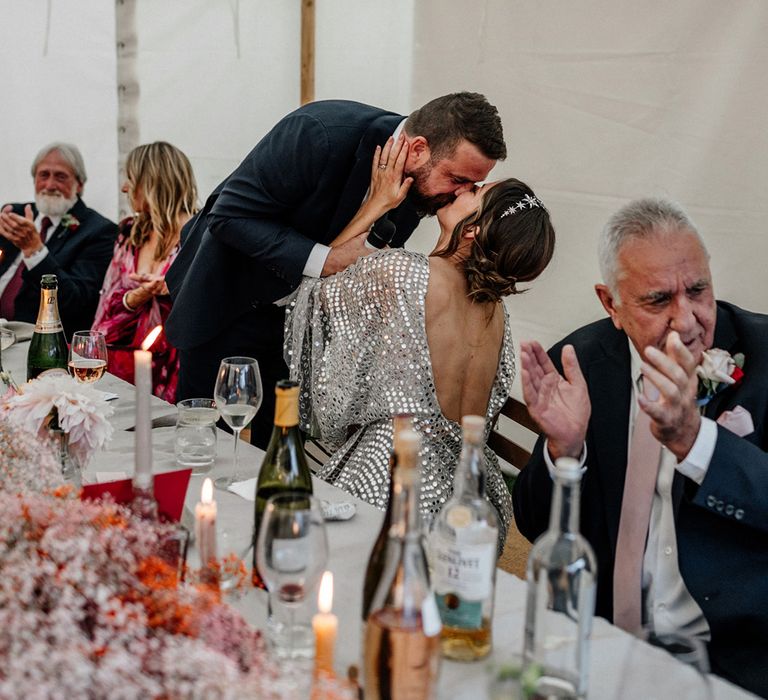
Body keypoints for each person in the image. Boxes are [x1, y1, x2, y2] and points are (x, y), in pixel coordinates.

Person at [512, 198, 768, 696]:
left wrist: (700, 443)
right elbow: (537, 522)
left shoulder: (763, 358)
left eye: (698, 290)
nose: (687, 319)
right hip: (603, 644)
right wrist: (564, 453)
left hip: (734, 661)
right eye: (657, 300)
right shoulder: (582, 360)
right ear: (611, 304)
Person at [166, 93, 506, 447]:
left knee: (276, 453)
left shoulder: (420, 186)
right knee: (200, 446)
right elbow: (230, 216)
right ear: (418, 148)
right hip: (227, 301)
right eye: (457, 179)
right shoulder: (320, 133)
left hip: (294, 331)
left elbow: (359, 261)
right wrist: (327, 260)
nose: (460, 195)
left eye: (471, 185)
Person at [286, 167, 555, 541]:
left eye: (475, 190)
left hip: (388, 484)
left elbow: (315, 293)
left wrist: (376, 204)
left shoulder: (405, 273)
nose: (463, 188)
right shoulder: (498, 316)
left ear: (475, 228)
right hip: (469, 503)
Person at [92, 142, 197, 401]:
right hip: (125, 370)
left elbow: (215, 306)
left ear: (152, 183)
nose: (124, 188)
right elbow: (104, 316)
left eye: (131, 178)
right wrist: (134, 297)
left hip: (179, 374)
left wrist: (173, 287)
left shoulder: (200, 235)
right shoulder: (130, 233)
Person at [0, 143, 117, 336]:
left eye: (60, 176)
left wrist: (35, 251)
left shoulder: (99, 231)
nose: (50, 185)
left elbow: (76, 302)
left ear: (79, 184)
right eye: (44, 175)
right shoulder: (16, 214)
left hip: (37, 340)